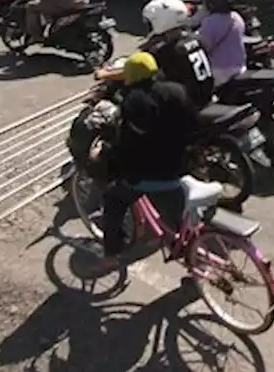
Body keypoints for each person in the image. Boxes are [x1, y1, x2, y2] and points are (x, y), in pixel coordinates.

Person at [84, 52, 201, 277]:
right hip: (180, 165)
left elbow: (126, 144)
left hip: (151, 175)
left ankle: (110, 257)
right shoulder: (176, 90)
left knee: (113, 198)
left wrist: (104, 152)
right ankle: (196, 262)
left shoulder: (135, 101)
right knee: (179, 222)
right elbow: (194, 125)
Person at [140, 0, 215, 108]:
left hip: (186, 103)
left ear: (162, 21)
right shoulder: (197, 39)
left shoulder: (166, 50)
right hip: (205, 95)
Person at [197, 0, 247, 86]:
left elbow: (205, 46)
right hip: (239, 66)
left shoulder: (210, 22)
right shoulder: (236, 17)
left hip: (219, 70)